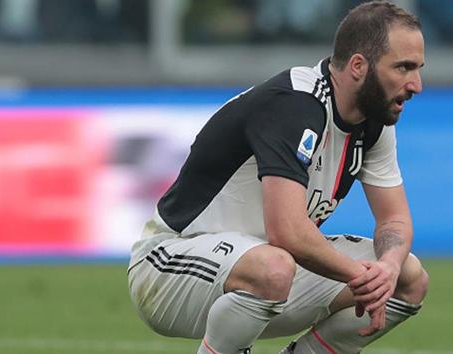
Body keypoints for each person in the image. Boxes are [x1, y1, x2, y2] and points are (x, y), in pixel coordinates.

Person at [127, 1, 429, 353]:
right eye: (404, 67)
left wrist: (387, 270)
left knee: (408, 278)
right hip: (169, 266)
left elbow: (394, 218)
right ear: (359, 66)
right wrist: (361, 277)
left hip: (268, 267)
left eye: (418, 68)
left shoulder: (374, 121)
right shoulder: (294, 105)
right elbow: (286, 232)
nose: (416, 84)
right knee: (273, 267)